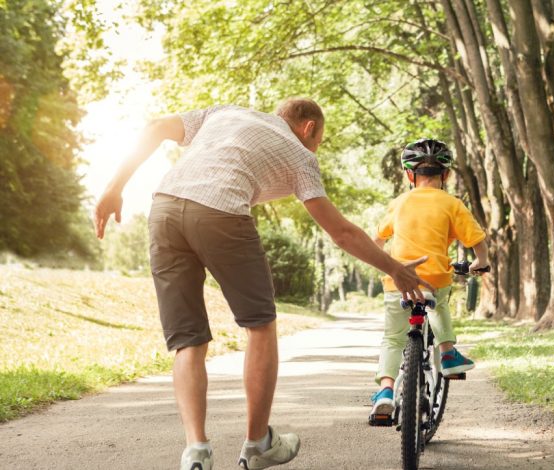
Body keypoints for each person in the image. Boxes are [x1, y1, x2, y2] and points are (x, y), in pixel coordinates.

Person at [93, 99, 433, 470]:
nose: (316, 148)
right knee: (260, 325)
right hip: (220, 212)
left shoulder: (224, 113)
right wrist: (395, 269)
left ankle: (197, 452)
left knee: (188, 340)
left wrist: (114, 187)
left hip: (165, 209)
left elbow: (156, 126)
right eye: (319, 139)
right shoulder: (301, 155)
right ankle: (257, 445)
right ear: (308, 129)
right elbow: (342, 233)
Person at [368, 138, 489, 424]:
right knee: (438, 306)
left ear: (410, 175)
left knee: (393, 338)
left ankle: (385, 391)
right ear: (445, 175)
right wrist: (480, 262)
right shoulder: (452, 203)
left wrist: (384, 264)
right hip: (434, 277)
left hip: (397, 278)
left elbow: (377, 240)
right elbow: (477, 240)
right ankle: (447, 354)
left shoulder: (399, 203)